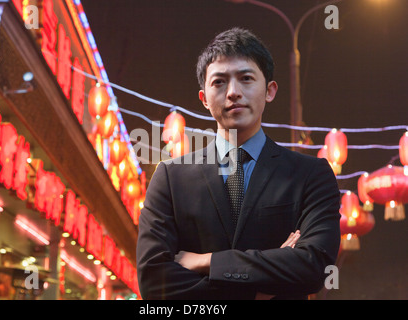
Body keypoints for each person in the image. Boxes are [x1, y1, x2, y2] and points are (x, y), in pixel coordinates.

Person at [136, 27, 340, 300]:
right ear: (204, 99)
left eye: (246, 78)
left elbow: (316, 268)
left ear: (269, 91)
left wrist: (207, 261)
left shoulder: (310, 175)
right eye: (219, 82)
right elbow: (154, 282)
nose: (233, 92)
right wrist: (259, 290)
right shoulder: (170, 178)